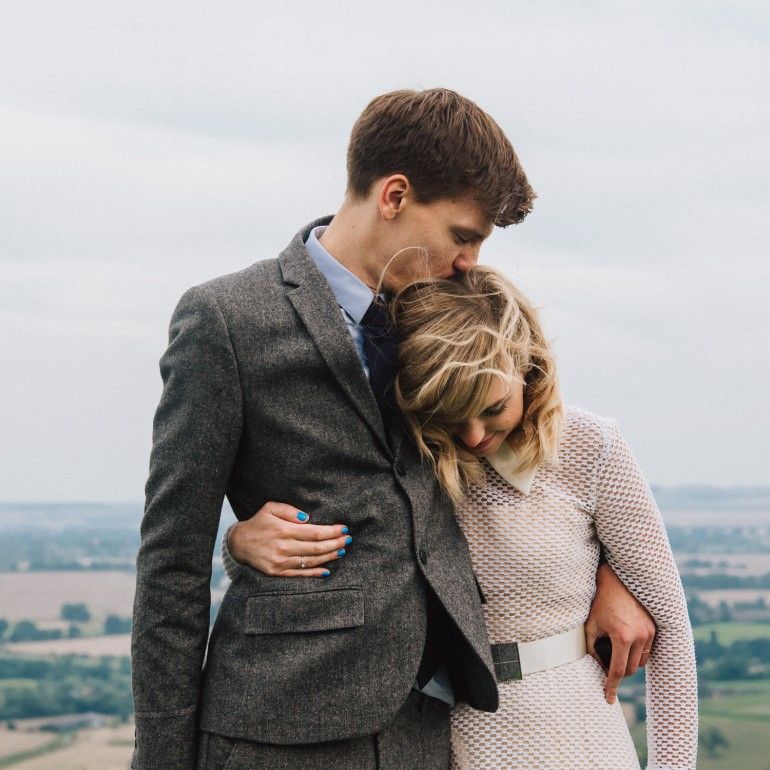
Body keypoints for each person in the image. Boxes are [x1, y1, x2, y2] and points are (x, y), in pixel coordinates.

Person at [132, 88, 655, 770]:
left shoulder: (449, 312)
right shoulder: (228, 319)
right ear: (395, 195)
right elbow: (170, 563)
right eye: (463, 235)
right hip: (276, 728)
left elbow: (532, 451)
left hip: (429, 730)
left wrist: (610, 568)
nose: (471, 260)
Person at [229, 266, 698, 769]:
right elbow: (338, 564)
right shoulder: (404, 455)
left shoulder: (590, 446)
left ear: (526, 365)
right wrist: (238, 542)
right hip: (434, 738)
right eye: (452, 413)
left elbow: (670, 632)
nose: (473, 435)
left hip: (574, 731)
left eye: (492, 407)